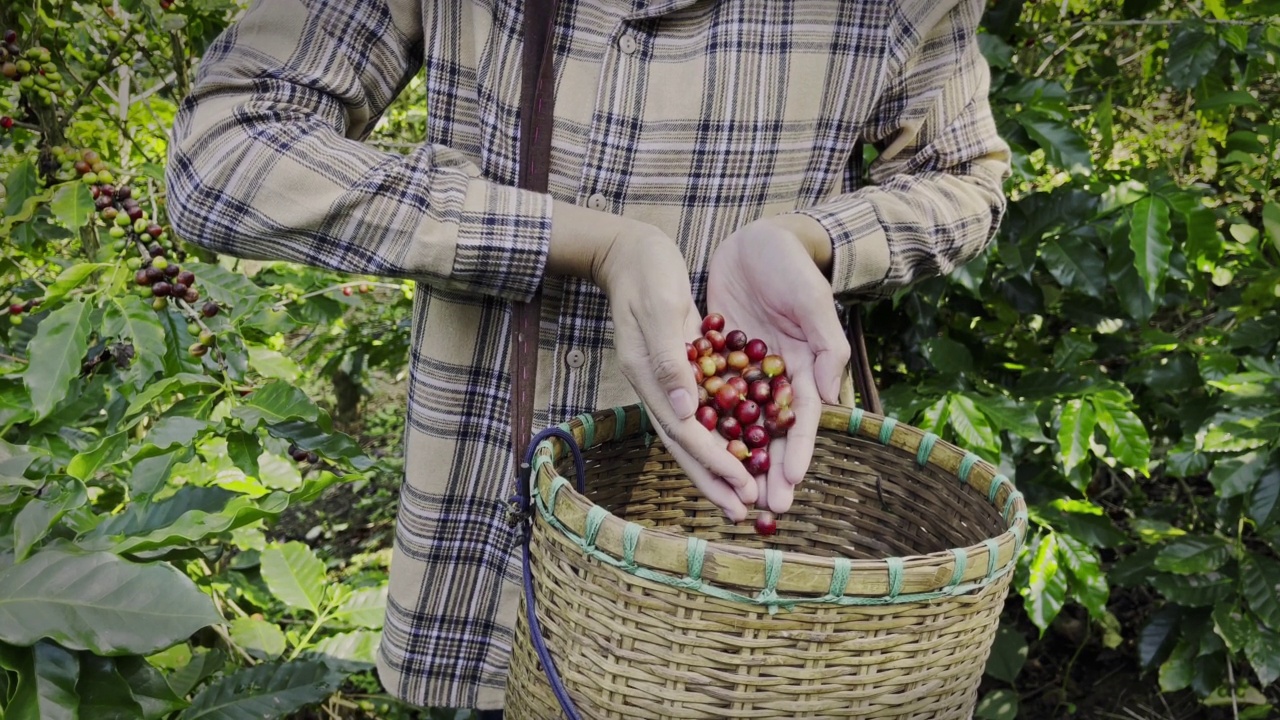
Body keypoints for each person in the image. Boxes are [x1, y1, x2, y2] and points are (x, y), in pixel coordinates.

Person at [165, 0, 1011, 716]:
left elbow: (962, 180)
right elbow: (224, 154)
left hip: (740, 539)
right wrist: (590, 245)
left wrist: (811, 239)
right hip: (491, 501)